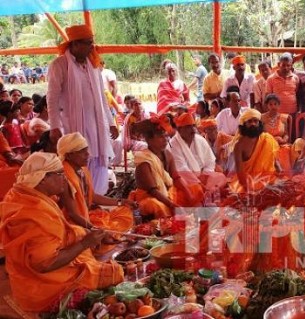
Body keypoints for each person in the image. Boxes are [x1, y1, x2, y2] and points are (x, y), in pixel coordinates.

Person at [0, 152, 123, 312]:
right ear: (42, 178)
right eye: (59, 174)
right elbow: (44, 264)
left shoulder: (24, 194)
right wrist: (86, 242)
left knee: (105, 267)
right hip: (44, 287)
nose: (64, 179)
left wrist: (91, 236)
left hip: (33, 279)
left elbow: (61, 232)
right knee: (114, 274)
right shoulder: (33, 212)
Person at [47, 24, 118, 195]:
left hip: (97, 125)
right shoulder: (59, 65)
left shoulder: (93, 64)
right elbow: (52, 97)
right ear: (75, 44)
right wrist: (54, 126)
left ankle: (97, 197)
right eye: (88, 43)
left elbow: (102, 97)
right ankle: (81, 199)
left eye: (92, 43)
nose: (92, 47)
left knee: (98, 160)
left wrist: (111, 122)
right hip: (73, 125)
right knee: (79, 159)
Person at [57, 132, 135, 254]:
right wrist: (95, 230)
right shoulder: (64, 177)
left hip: (87, 217)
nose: (88, 155)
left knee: (124, 212)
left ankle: (108, 235)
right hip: (72, 224)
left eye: (87, 150)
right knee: (102, 236)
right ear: (70, 155)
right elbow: (72, 214)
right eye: (83, 152)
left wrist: (121, 202)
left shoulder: (82, 170)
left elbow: (92, 197)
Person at [129, 115, 202, 218]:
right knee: (155, 205)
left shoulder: (168, 154)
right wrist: (171, 205)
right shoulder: (144, 160)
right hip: (151, 197)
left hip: (168, 193)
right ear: (149, 140)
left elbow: (176, 178)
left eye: (166, 136)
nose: (165, 139)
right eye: (160, 136)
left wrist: (189, 195)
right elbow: (153, 191)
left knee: (195, 188)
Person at [169, 113, 225, 193]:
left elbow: (210, 161)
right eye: (188, 127)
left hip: (204, 176)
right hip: (186, 180)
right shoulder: (173, 144)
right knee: (186, 187)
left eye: (193, 126)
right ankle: (206, 192)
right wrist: (198, 182)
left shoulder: (200, 140)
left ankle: (207, 191)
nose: (192, 129)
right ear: (179, 129)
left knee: (221, 176)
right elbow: (181, 169)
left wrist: (205, 176)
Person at [233, 108, 280, 191]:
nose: (253, 124)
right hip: (249, 185)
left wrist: (281, 175)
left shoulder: (267, 138)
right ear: (244, 124)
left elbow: (276, 163)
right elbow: (240, 175)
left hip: (269, 180)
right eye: (249, 121)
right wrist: (252, 191)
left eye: (255, 121)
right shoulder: (239, 146)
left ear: (259, 123)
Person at [261, 94, 293, 173]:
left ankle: (284, 175)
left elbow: (286, 134)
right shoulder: (262, 118)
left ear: (279, 105)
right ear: (267, 106)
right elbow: (261, 134)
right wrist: (272, 140)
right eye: (270, 104)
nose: (273, 106)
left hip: (281, 144)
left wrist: (284, 140)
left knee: (285, 149)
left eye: (275, 104)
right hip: (267, 144)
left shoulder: (283, 118)